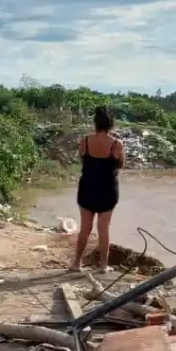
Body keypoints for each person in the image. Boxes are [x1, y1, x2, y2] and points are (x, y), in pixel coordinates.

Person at [70, 106, 124, 273]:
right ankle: (103, 265)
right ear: (111, 125)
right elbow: (121, 165)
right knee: (104, 228)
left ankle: (76, 264)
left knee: (85, 228)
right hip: (107, 190)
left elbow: (82, 160)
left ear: (95, 123)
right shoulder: (116, 144)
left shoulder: (85, 140)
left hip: (87, 188)